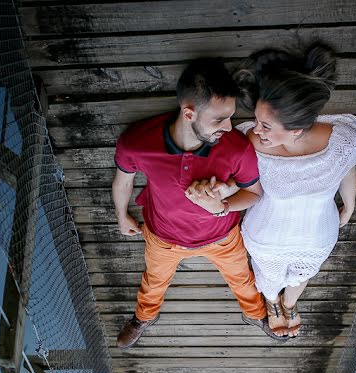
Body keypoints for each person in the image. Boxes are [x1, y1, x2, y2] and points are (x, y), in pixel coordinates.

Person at [189, 43, 356, 338]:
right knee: (269, 277)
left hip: (317, 234)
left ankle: (290, 303)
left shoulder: (343, 140)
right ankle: (273, 303)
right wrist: (221, 192)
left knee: (303, 274)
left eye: (264, 125)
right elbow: (244, 179)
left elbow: (346, 169)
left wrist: (349, 206)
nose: (255, 130)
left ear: (296, 130)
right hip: (267, 234)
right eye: (258, 121)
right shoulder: (252, 142)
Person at [112, 57, 281, 349]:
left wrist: (222, 206)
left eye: (230, 116)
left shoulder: (237, 148)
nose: (229, 127)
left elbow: (253, 192)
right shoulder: (137, 142)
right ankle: (144, 317)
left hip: (222, 236)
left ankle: (254, 314)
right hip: (162, 236)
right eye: (218, 119)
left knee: (242, 278)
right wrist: (121, 215)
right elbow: (123, 180)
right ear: (189, 113)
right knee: (153, 281)